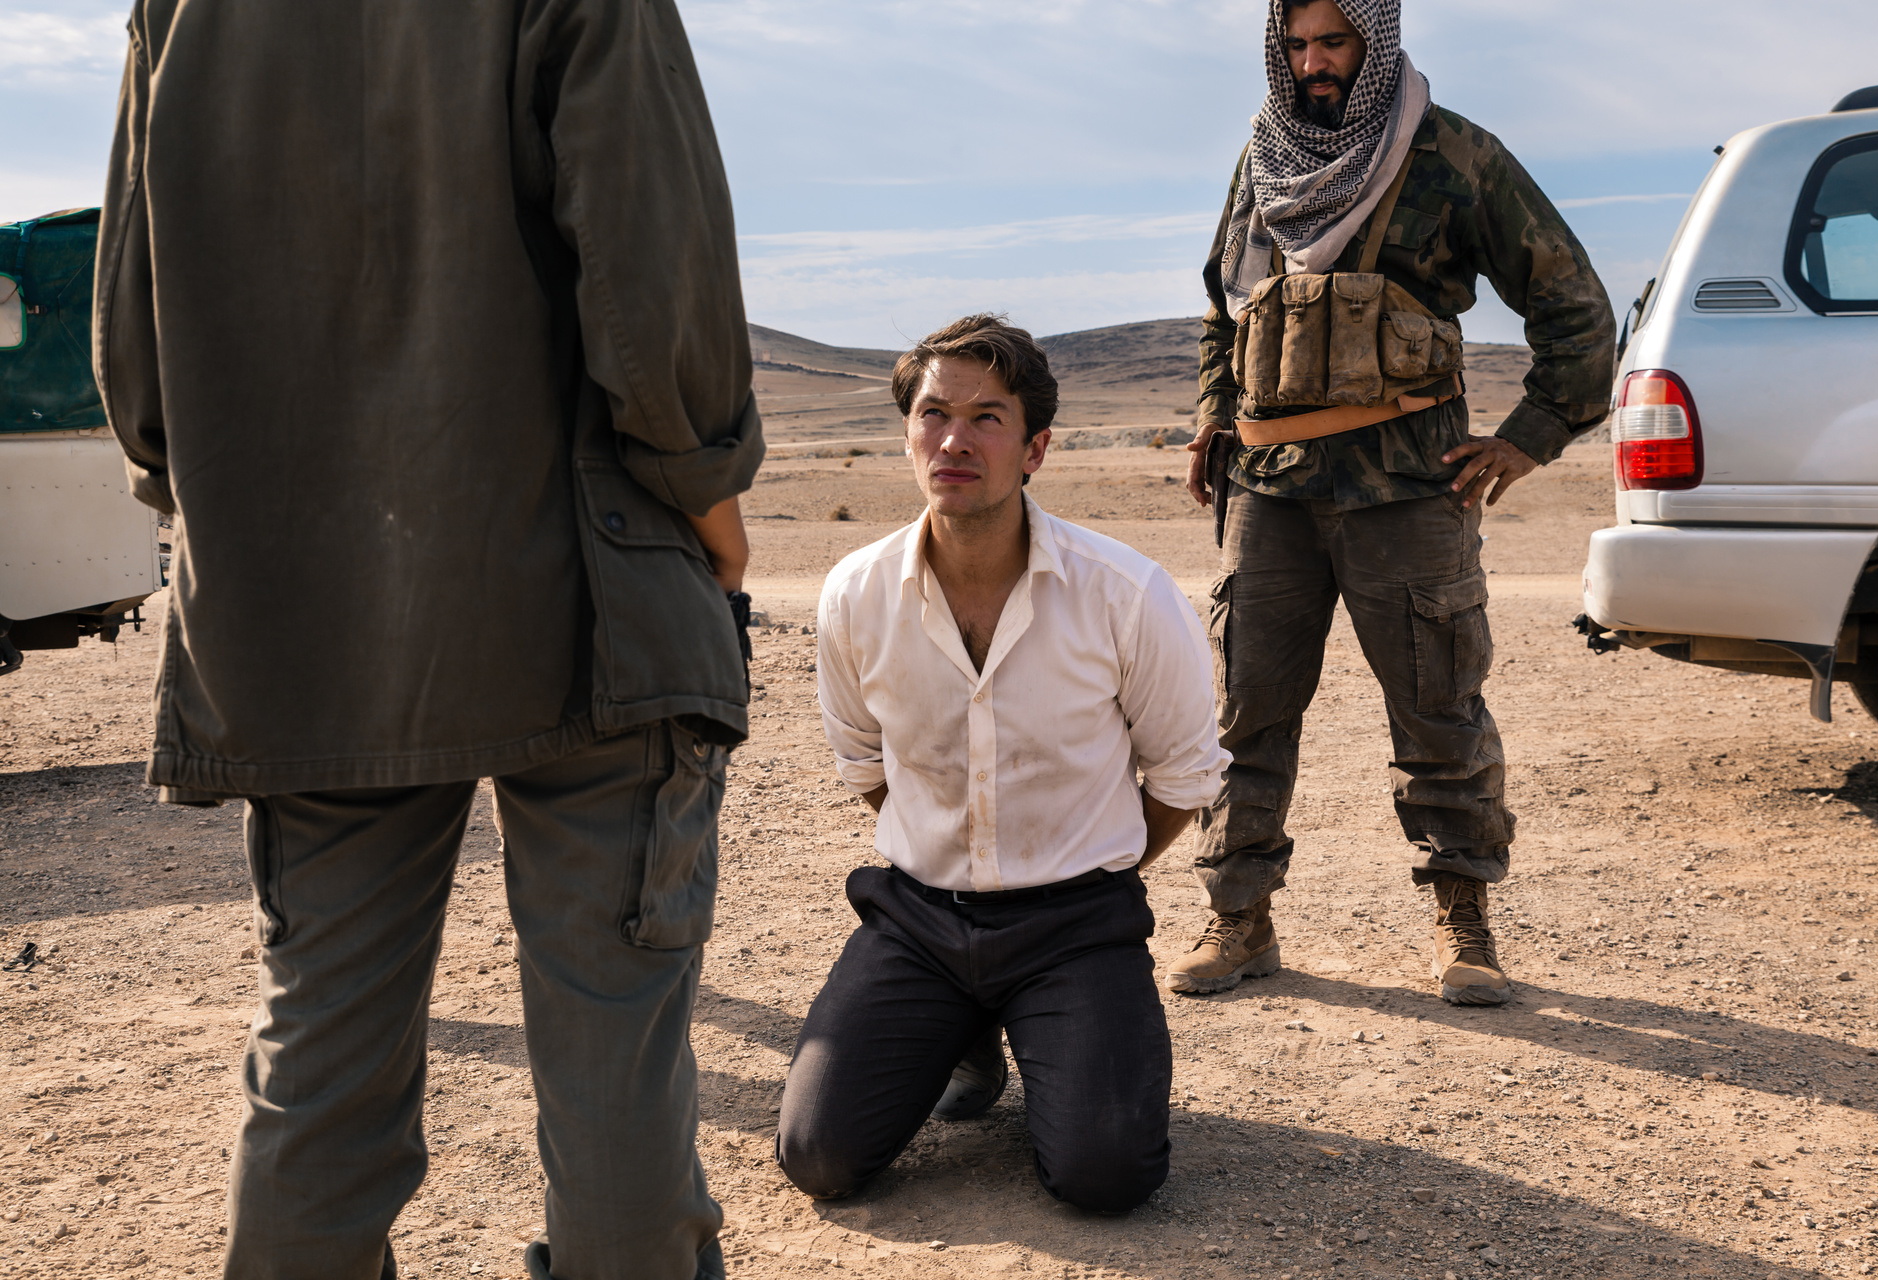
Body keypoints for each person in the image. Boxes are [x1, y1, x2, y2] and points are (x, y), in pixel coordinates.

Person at [93, 3, 761, 1277]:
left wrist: (261, 524)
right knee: (614, 1055)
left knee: (321, 1057)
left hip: (306, 617)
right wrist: (710, 501)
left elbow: (137, 354)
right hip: (588, 592)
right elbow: (652, 266)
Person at [1169, 0, 1615, 1003]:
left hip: (1410, 486)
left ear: (1374, 45)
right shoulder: (1265, 158)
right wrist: (1213, 415)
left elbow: (1575, 306)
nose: (1313, 63)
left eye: (1334, 43)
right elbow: (1223, 310)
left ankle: (1465, 921)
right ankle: (1238, 919)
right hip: (1270, 488)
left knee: (1438, 709)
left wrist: (1530, 434)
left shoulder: (1453, 154)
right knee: (1243, 712)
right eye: (1296, 45)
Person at [775, 315, 1228, 1213]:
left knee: (1107, 1176)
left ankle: (1045, 1025)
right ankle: (964, 1022)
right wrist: (956, 861)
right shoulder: (856, 594)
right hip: (920, 921)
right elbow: (866, 763)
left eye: (987, 418)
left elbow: (1182, 779)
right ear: (909, 435)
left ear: (1035, 449)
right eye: (934, 414)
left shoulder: (1124, 593)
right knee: (818, 1157)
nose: (954, 440)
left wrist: (1083, 868)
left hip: (1077, 922)